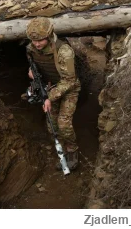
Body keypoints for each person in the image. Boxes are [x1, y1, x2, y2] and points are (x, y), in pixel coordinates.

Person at [25, 17, 81, 170]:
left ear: (49, 36)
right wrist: (32, 74)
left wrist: (49, 98)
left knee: (64, 125)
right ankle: (61, 149)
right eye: (33, 40)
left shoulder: (64, 51)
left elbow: (69, 81)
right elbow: (35, 68)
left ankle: (72, 151)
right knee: (52, 126)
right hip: (50, 87)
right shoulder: (31, 49)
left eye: (41, 40)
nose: (37, 44)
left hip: (69, 88)